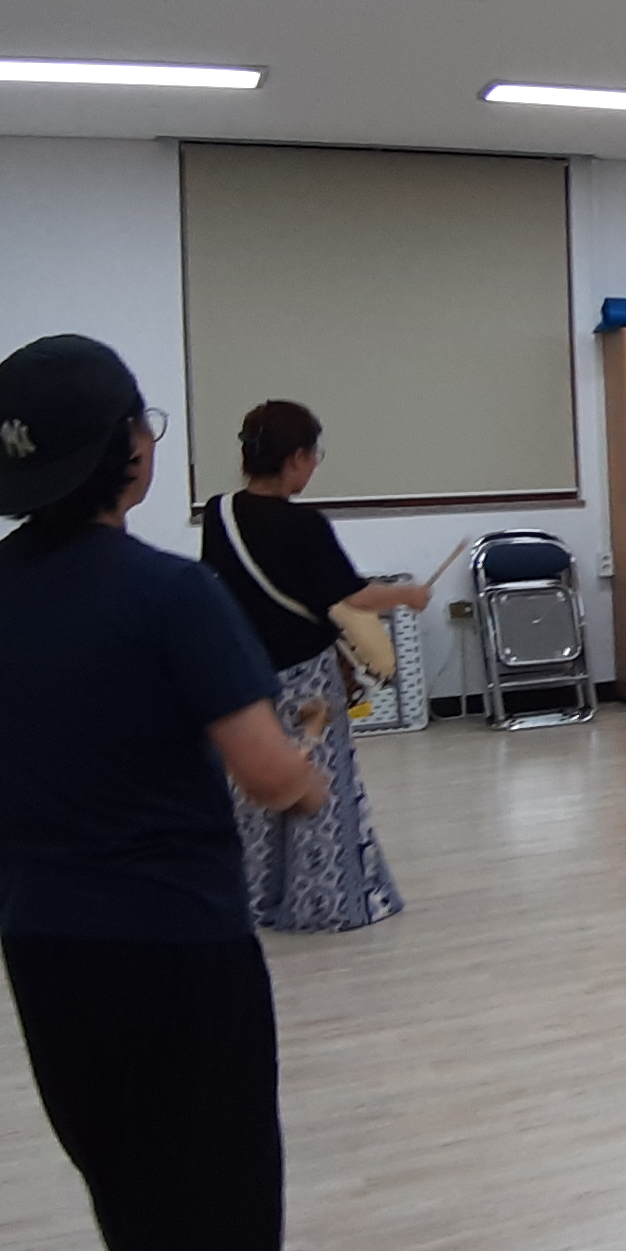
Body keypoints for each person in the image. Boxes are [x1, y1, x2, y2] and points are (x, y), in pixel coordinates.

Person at [0, 335, 329, 1251]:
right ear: (125, 451)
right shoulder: (169, 592)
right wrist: (307, 773)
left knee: (127, 1175)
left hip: (39, 937)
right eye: (142, 421)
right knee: (207, 1179)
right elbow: (264, 773)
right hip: (172, 939)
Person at [199, 400, 432, 933]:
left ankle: (256, 897)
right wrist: (409, 594)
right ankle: (323, 902)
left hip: (247, 677)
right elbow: (352, 596)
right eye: (314, 455)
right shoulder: (304, 525)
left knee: (255, 788)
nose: (315, 466)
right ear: (297, 457)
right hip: (307, 680)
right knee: (316, 786)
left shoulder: (219, 514)